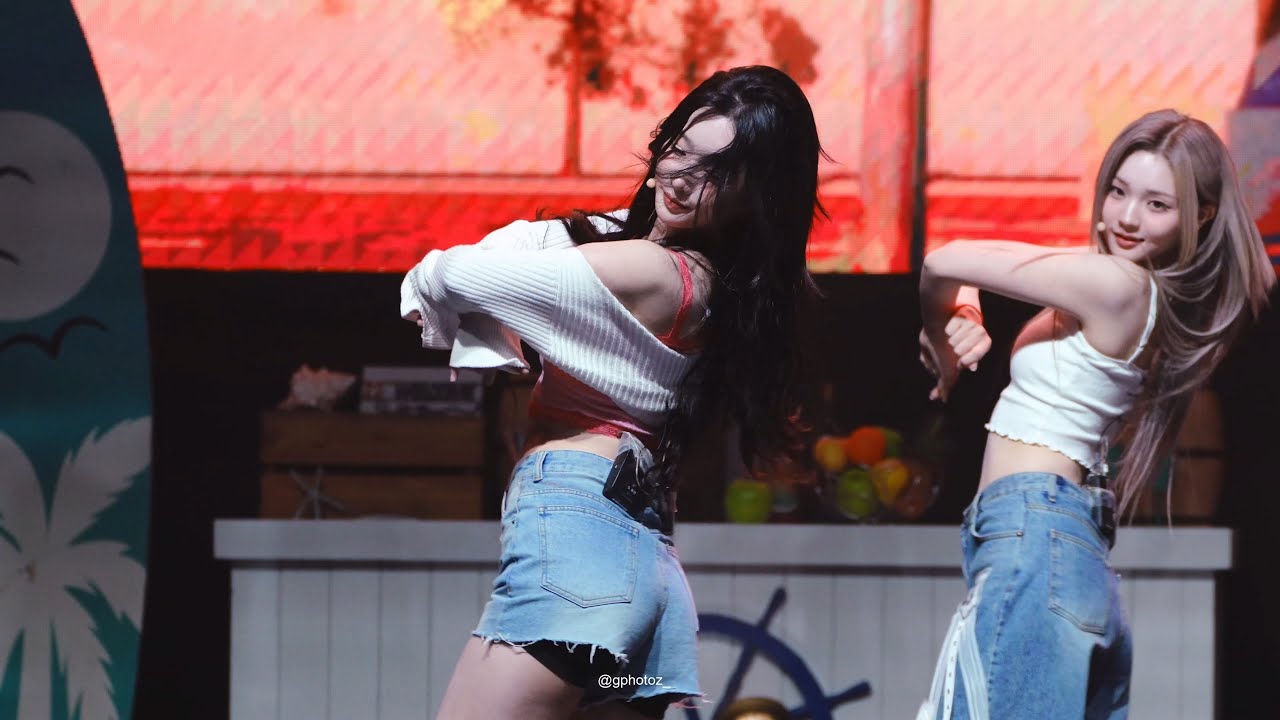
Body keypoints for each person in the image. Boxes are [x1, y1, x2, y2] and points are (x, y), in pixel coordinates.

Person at [400, 65, 826, 719]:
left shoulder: (654, 270)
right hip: (639, 579)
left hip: (579, 553)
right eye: (679, 150)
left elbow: (455, 273)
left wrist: (468, 314)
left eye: (716, 171)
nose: (681, 177)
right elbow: (521, 256)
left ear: (755, 195)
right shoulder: (717, 287)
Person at [915, 109, 1274, 719]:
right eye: (1118, 191)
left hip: (1034, 532)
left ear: (1201, 216)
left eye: (1157, 205)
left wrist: (938, 341)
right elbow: (969, 271)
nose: (1128, 217)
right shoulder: (1141, 290)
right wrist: (966, 312)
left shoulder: (1115, 284)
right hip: (1060, 547)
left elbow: (943, 260)